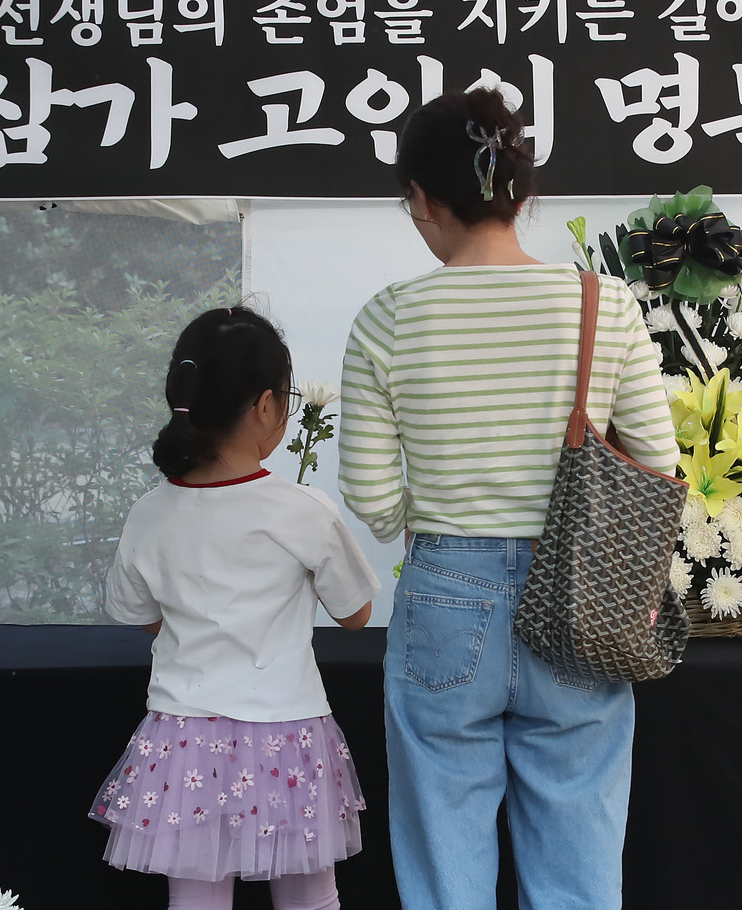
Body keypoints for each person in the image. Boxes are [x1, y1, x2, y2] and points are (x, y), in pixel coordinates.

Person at [338, 89, 679, 909]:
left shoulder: (388, 319)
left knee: (444, 847)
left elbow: (373, 499)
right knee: (578, 841)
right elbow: (660, 464)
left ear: (421, 199)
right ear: (523, 193)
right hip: (584, 593)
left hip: (446, 593)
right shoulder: (606, 303)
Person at [90, 306, 381, 910]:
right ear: (268, 405)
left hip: (184, 739)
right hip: (287, 734)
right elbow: (356, 615)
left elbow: (142, 615)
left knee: (195, 901)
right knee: (311, 899)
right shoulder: (302, 511)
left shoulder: (150, 512)